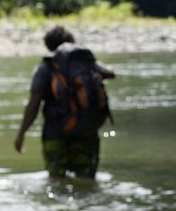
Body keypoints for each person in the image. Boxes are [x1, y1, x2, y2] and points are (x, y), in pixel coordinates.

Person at [14, 24, 116, 179]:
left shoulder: (46, 66)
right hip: (87, 131)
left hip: (55, 133)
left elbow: (34, 104)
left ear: (49, 45)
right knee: (86, 180)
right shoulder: (86, 63)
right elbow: (110, 73)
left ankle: (58, 204)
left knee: (55, 182)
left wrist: (21, 134)